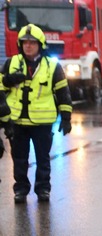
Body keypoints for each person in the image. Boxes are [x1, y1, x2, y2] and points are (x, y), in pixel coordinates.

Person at [1, 24, 72, 203]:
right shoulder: (11, 63)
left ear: (40, 44)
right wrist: (8, 80)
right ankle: (21, 189)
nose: (28, 46)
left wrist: (66, 118)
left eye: (32, 42)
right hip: (17, 122)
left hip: (42, 122)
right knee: (19, 159)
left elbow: (63, 93)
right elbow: (0, 86)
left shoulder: (52, 66)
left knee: (43, 159)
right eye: (25, 42)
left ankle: (43, 189)